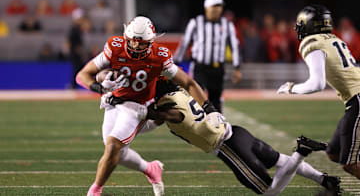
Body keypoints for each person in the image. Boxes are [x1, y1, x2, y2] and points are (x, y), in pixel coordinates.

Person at [113, 79, 341, 196]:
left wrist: (148, 111)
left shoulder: (167, 105)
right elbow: (156, 121)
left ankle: (301, 151)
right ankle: (325, 180)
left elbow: (175, 114)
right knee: (279, 161)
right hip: (238, 133)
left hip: (226, 146)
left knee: (269, 190)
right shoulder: (180, 92)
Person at [76, 16, 208, 196]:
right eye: (132, 41)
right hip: (114, 102)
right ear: (125, 37)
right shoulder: (115, 46)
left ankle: (95, 191)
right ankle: (150, 169)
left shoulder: (159, 56)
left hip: (137, 107)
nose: (136, 46)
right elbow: (83, 74)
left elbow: (188, 82)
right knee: (116, 153)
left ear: (151, 41)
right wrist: (99, 87)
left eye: (142, 43)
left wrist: (209, 109)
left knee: (113, 147)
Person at [277, 4, 360, 180]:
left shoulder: (312, 42)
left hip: (357, 100)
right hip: (353, 100)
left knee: (351, 164)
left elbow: (317, 84)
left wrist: (292, 88)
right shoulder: (333, 39)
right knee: (334, 152)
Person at [174, 0, 242, 113]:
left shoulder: (227, 25)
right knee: (196, 96)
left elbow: (234, 46)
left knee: (216, 99)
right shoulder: (195, 22)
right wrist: (176, 62)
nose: (217, 9)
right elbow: (185, 43)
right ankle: (197, 123)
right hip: (200, 67)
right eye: (214, 6)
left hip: (217, 68)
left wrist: (237, 67)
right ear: (207, 8)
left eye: (219, 6)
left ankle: (217, 127)